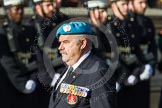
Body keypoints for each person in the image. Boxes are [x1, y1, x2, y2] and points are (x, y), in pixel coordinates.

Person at [48, 21, 116, 108]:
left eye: (66, 42)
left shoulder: (98, 72)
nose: (60, 47)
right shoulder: (69, 68)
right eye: (60, 42)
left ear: (83, 43)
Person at [0, 0, 38, 108]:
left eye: (21, 8)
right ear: (8, 11)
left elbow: (36, 58)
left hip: (30, 82)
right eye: (16, 9)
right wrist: (22, 83)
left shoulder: (29, 31)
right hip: (11, 86)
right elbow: (7, 62)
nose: (20, 12)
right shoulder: (3, 32)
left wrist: (33, 79)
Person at [27, 0, 69, 88]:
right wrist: (48, 78)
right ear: (38, 7)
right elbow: (36, 57)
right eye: (48, 5)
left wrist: (60, 72)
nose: (52, 8)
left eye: (52, 4)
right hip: (42, 76)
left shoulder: (57, 23)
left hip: (59, 71)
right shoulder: (31, 27)